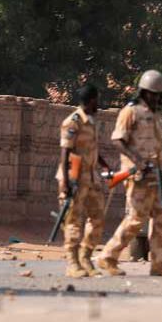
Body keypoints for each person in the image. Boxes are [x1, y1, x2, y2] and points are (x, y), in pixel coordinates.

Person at [98, 70, 162, 277]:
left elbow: (157, 147)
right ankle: (108, 256)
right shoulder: (131, 112)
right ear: (144, 93)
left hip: (158, 174)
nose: (157, 98)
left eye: (159, 95)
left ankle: (159, 263)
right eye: (153, 94)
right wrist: (137, 161)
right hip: (139, 175)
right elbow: (118, 140)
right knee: (136, 219)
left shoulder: (155, 116)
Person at [58, 84, 112, 278]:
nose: (99, 103)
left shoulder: (92, 121)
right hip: (74, 177)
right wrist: (65, 181)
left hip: (92, 178)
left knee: (98, 218)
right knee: (73, 221)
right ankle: (72, 264)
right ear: (91, 100)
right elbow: (65, 152)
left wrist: (104, 165)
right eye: (97, 99)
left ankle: (86, 257)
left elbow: (92, 150)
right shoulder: (73, 122)